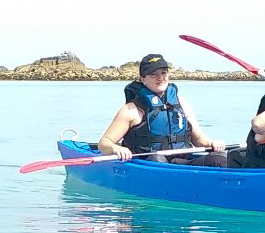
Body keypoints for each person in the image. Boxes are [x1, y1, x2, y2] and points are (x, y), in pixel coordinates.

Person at [95, 53, 232, 166]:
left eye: (163, 73)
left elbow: (198, 139)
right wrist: (117, 148)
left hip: (183, 161)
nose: (160, 78)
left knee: (219, 158)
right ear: (143, 79)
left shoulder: (182, 104)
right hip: (152, 164)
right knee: (158, 159)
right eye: (154, 75)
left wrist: (212, 143)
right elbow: (104, 143)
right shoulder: (131, 110)